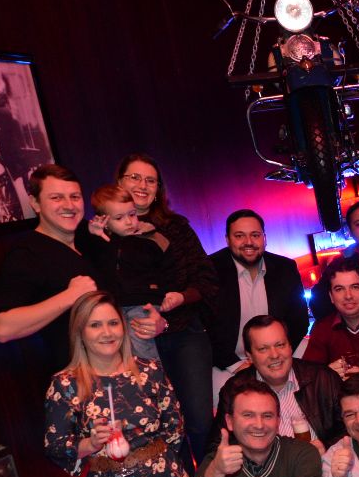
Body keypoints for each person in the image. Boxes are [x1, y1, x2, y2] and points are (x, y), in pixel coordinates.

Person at [42, 293, 201, 477]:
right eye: (95, 325)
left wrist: (154, 461)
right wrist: (91, 444)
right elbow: (55, 447)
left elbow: (175, 428)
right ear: (80, 332)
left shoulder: (150, 370)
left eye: (113, 323)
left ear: (123, 327)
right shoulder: (66, 384)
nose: (107, 333)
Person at [109, 153, 219, 459]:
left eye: (150, 180)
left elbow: (207, 280)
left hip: (184, 334)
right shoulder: (104, 235)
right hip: (135, 338)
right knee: (163, 426)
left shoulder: (175, 228)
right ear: (119, 182)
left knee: (199, 422)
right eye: (134, 177)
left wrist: (180, 298)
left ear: (159, 189)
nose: (142, 185)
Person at [0, 164, 103, 363]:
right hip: (79, 374)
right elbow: (2, 328)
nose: (69, 205)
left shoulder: (90, 239)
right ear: (35, 203)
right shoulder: (27, 254)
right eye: (56, 198)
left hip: (118, 367)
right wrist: (70, 296)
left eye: (75, 197)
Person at [185, 380, 324, 477]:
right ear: (230, 422)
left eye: (267, 416)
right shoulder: (217, 462)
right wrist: (216, 471)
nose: (259, 425)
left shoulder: (302, 455)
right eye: (248, 415)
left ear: (278, 422)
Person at [78, 183, 188, 362]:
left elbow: (170, 269)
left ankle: (151, 377)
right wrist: (94, 234)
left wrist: (169, 293)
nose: (129, 222)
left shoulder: (152, 239)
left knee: (142, 349)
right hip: (112, 305)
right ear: (104, 220)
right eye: (119, 218)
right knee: (115, 351)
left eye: (132, 214)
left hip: (143, 303)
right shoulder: (102, 242)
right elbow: (83, 252)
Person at [205, 210, 310, 384]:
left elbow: (299, 322)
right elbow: (203, 329)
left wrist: (277, 357)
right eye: (239, 236)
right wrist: (235, 365)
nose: (248, 242)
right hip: (228, 362)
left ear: (264, 238)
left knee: (311, 367)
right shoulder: (210, 270)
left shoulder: (285, 268)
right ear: (227, 240)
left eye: (255, 235)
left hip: (277, 354)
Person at [214, 317, 345, 452]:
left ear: (290, 347)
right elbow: (216, 446)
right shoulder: (235, 389)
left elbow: (349, 428)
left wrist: (326, 447)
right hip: (262, 465)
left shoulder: (323, 378)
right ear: (250, 356)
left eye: (280, 345)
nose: (274, 355)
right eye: (263, 349)